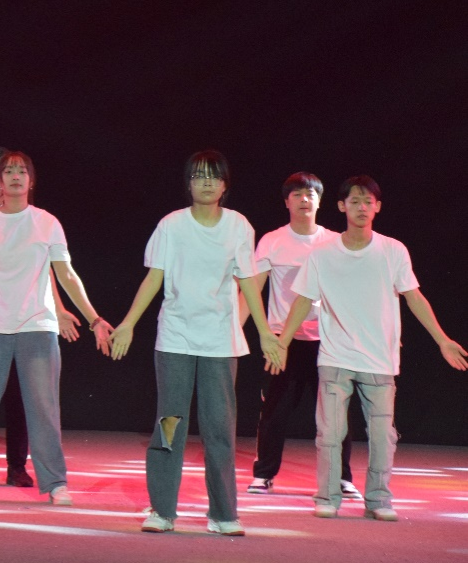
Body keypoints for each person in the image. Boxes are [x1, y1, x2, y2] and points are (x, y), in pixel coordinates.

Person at [110, 150, 282, 537]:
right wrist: (128, 323)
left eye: (214, 176)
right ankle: (162, 510)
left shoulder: (238, 226)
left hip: (220, 342)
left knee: (219, 428)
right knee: (170, 423)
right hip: (176, 338)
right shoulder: (172, 225)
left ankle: (223, 514)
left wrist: (264, 332)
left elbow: (248, 282)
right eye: (198, 176)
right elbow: (154, 278)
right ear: (188, 183)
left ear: (225, 184)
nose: (206, 182)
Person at [276, 175, 467, 521]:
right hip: (335, 357)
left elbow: (414, 297)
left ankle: (379, 500)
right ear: (341, 206)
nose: (362, 207)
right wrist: (282, 342)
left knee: (382, 436)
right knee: (330, 433)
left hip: (380, 360)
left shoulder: (392, 250)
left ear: (377, 207)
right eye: (355, 201)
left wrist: (442, 339)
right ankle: (327, 496)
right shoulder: (322, 254)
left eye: (368, 201)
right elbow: (303, 300)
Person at [0, 151, 112, 505]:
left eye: (22, 171)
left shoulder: (46, 222)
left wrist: (94, 318)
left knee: (44, 408)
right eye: (8, 171)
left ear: (31, 180)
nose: (15, 176)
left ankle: (55, 482)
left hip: (37, 326)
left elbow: (66, 275)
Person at [246, 172, 358, 498]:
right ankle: (264, 475)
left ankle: (341, 477)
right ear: (286, 202)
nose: (304, 199)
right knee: (275, 411)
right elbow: (252, 289)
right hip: (283, 339)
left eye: (310, 194)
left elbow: (352, 292)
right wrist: (254, 333)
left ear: (320, 201)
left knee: (335, 411)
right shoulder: (272, 240)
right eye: (296, 194)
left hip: (328, 340)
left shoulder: (335, 241)